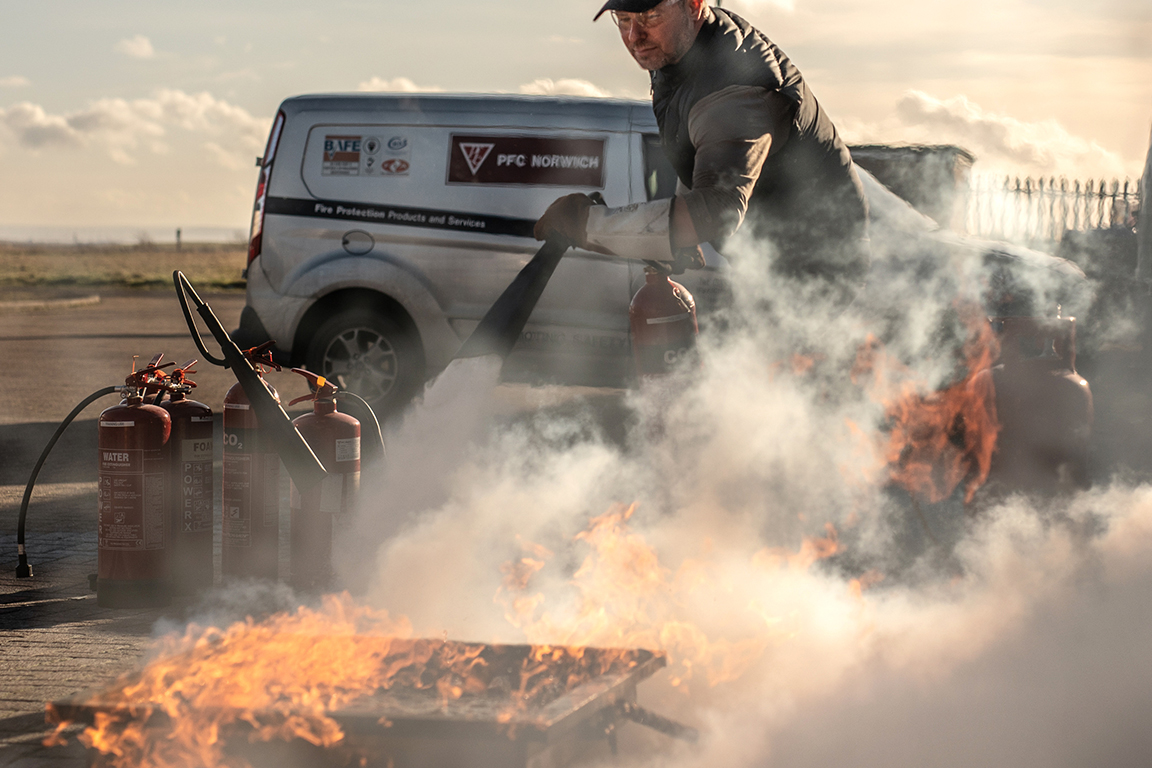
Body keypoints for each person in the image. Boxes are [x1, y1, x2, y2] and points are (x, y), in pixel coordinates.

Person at [534, 0, 870, 303]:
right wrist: (676, 231)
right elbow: (699, 146)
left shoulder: (736, 90)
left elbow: (718, 208)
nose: (634, 35)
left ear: (693, 5)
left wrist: (586, 224)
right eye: (623, 19)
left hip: (818, 273)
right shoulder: (682, 50)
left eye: (650, 15)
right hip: (774, 263)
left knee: (775, 368)